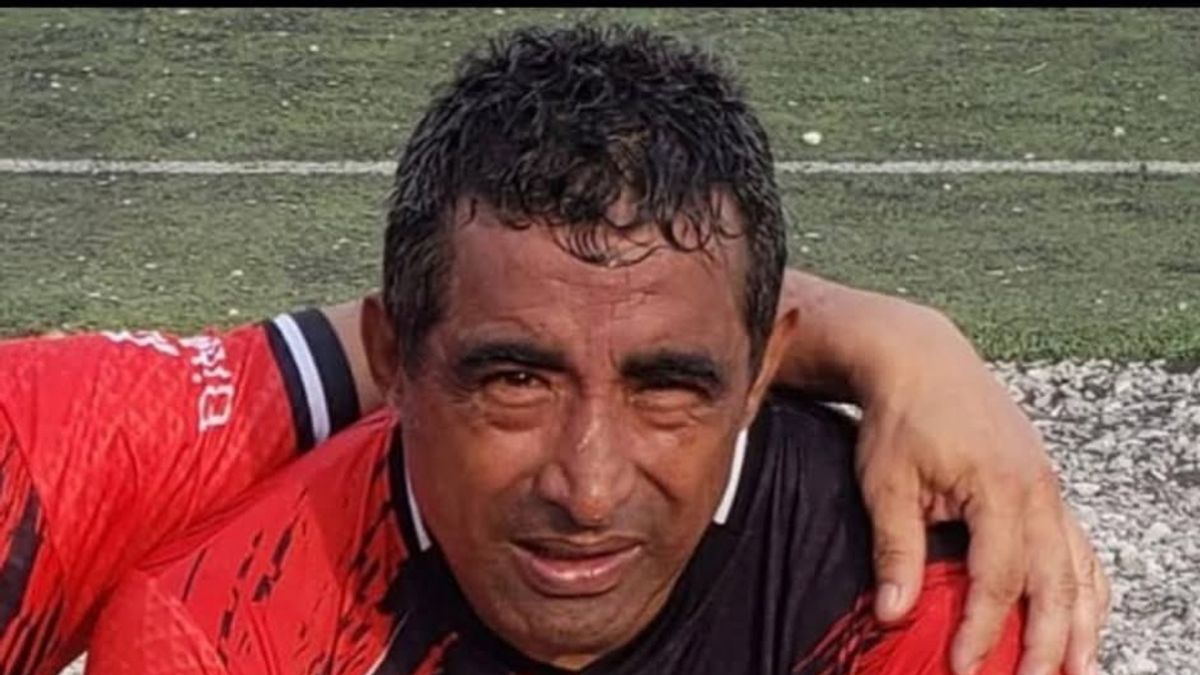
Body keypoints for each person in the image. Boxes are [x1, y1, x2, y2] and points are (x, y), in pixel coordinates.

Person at [74, 24, 1105, 675]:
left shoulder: (931, 611)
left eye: (668, 387)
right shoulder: (217, 635)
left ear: (761, 370)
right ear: (393, 360)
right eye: (516, 381)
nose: (590, 487)